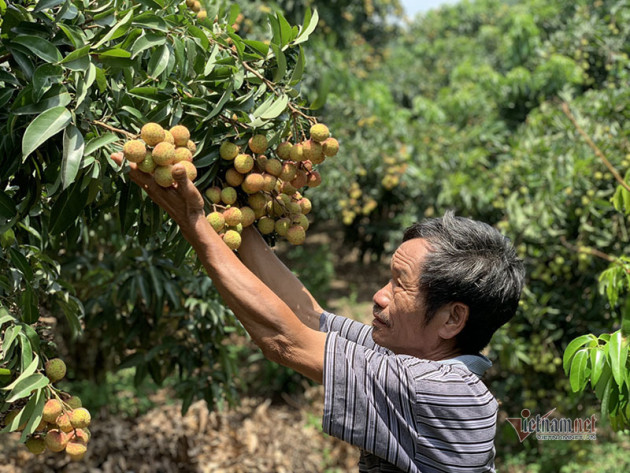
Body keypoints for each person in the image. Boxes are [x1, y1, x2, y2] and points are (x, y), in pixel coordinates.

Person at [110, 155, 526, 473]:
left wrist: (194, 221)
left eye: (400, 284)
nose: (379, 297)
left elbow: (285, 339)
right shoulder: (413, 355)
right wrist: (232, 204)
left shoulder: (441, 390)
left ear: (452, 320)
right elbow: (308, 318)